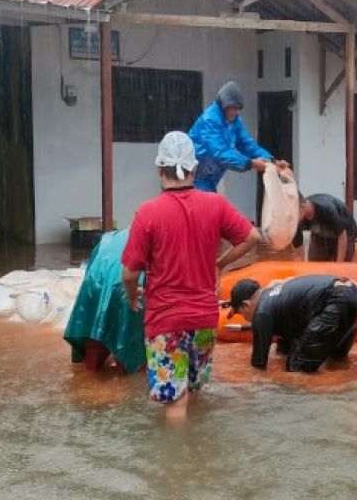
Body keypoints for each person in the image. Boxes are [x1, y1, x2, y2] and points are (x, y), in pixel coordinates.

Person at [121, 131, 261, 417]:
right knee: (194, 393)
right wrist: (220, 264)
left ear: (160, 169)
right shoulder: (215, 205)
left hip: (166, 320)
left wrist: (131, 294)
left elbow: (128, 273)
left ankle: (179, 462)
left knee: (175, 402)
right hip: (204, 319)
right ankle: (200, 458)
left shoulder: (148, 213)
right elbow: (252, 237)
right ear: (194, 169)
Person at [225, 275, 357, 372]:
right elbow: (286, 343)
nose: (244, 318)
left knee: (297, 367)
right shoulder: (274, 296)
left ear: (245, 305)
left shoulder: (261, 314)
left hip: (337, 301)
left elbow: (258, 364)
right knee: (336, 360)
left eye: (239, 313)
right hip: (353, 294)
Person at [64, 228, 145, 374]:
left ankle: (89, 376)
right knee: (130, 363)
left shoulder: (109, 237)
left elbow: (91, 269)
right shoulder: (153, 237)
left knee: (96, 333)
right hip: (127, 288)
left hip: (95, 288)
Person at [188, 80, 286, 192]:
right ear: (224, 105)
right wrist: (250, 163)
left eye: (238, 109)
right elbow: (220, 153)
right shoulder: (209, 121)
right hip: (193, 179)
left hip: (212, 180)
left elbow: (247, 144)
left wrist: (272, 161)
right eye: (233, 108)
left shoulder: (234, 121)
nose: (236, 112)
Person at [292, 193, 357, 262]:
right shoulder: (297, 220)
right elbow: (297, 248)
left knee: (343, 266)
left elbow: (342, 236)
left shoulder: (327, 209)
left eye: (293, 211)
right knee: (315, 264)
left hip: (345, 232)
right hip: (321, 233)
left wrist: (339, 265)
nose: (291, 215)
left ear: (302, 206)